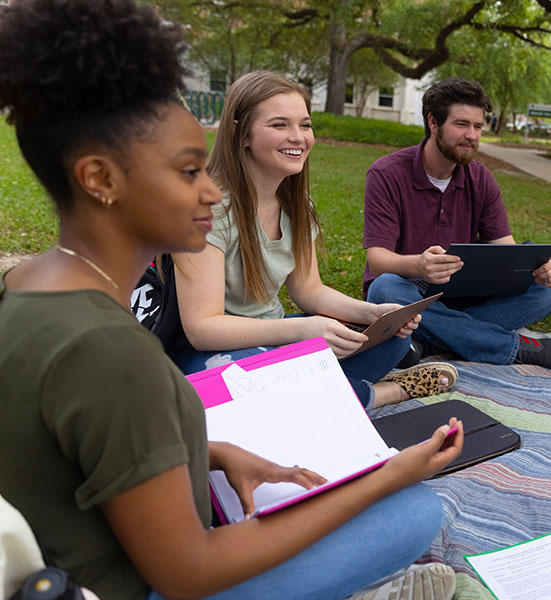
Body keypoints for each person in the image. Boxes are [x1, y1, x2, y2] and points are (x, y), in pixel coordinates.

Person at [0, 2, 464, 600]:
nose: (211, 189)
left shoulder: (26, 293)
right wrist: (381, 480)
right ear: (100, 179)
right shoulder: (112, 356)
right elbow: (188, 573)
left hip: (104, 539)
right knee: (416, 509)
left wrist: (210, 452)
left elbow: (80, 449)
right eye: (189, 169)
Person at [168, 70, 458, 410]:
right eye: (279, 125)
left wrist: (375, 313)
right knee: (249, 387)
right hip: (210, 354)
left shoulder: (296, 205)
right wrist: (303, 330)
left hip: (273, 337)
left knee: (390, 339)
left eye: (304, 125)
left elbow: (308, 290)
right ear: (240, 133)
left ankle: (326, 389)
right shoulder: (206, 209)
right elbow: (202, 328)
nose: (298, 137)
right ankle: (385, 393)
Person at [362, 77, 551, 370]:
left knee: (545, 294)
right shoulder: (386, 174)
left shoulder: (480, 177)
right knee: (384, 288)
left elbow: (506, 251)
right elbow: (377, 261)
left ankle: (429, 343)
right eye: (462, 124)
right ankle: (515, 349)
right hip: (407, 293)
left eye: (478, 126)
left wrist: (534, 270)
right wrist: (420, 265)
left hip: (461, 295)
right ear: (433, 122)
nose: (472, 136)